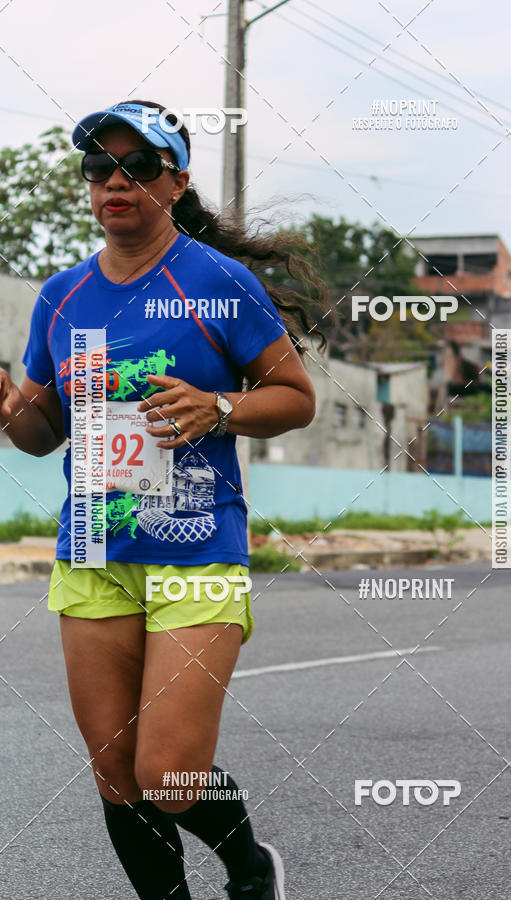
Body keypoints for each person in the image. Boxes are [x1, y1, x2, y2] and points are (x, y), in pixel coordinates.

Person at [0, 100, 329, 900]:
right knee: (116, 771)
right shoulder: (62, 296)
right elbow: (43, 432)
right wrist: (14, 413)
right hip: (95, 557)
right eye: (99, 167)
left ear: (176, 181)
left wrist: (220, 407)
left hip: (198, 554)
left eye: (139, 165)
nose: (116, 180)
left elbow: (294, 396)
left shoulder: (218, 283)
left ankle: (251, 869)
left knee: (168, 774)